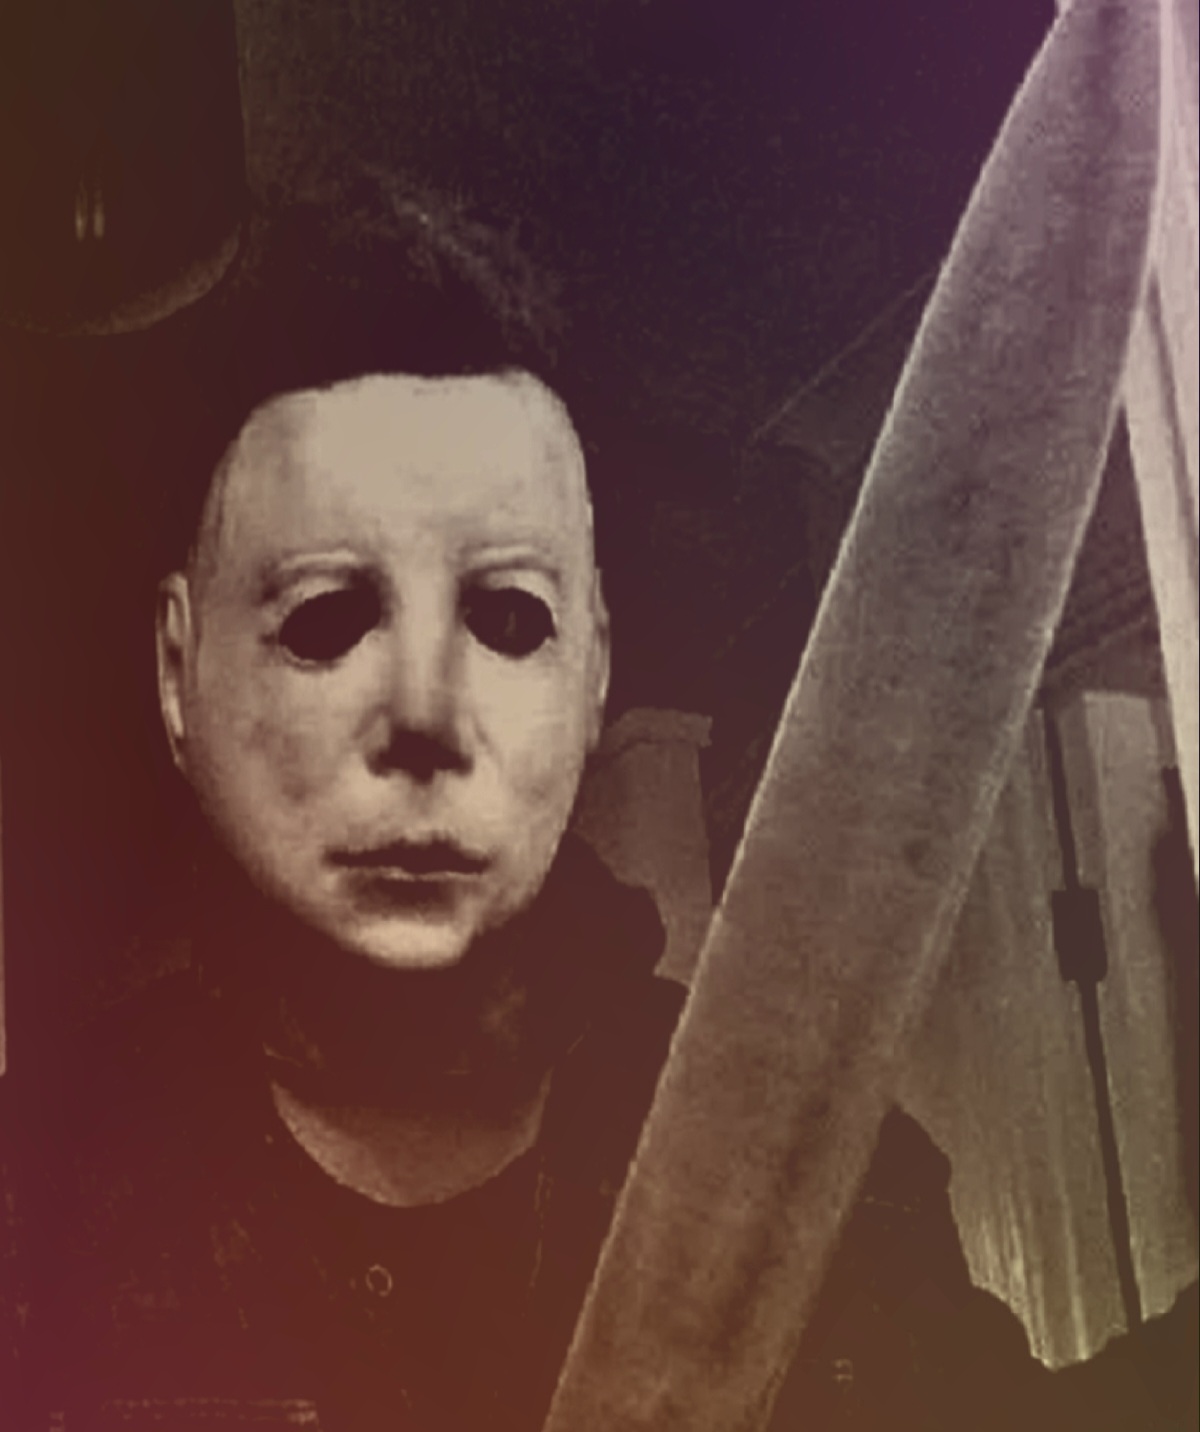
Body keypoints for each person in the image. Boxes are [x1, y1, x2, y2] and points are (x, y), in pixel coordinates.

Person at [1, 177, 1193, 1432]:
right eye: (326, 617)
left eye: (511, 617)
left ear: (594, 675)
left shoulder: (808, 1175)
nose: (425, 713)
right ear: (179, 674)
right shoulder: (38, 1209)